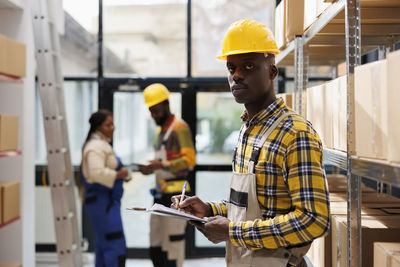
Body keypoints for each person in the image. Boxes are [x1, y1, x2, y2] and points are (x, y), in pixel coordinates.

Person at [172, 19, 330, 267]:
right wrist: (210, 210)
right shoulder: (248, 130)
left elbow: (313, 220)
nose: (236, 75)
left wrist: (233, 233)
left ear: (272, 72)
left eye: (248, 66)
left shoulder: (295, 134)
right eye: (231, 67)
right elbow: (248, 208)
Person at [138, 83, 196, 267]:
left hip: (177, 199)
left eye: (156, 110)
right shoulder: (159, 132)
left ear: (166, 105)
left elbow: (189, 161)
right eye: (151, 111)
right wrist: (151, 167)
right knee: (156, 245)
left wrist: (161, 165)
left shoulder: (180, 128)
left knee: (172, 246)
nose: (154, 115)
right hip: (159, 196)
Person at [80, 109, 132, 267]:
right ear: (98, 127)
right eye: (108, 125)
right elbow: (96, 173)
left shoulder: (101, 145)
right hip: (102, 203)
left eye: (112, 124)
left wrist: (123, 174)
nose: (113, 128)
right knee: (114, 242)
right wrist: (118, 175)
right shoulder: (95, 146)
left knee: (104, 244)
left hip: (106, 203)